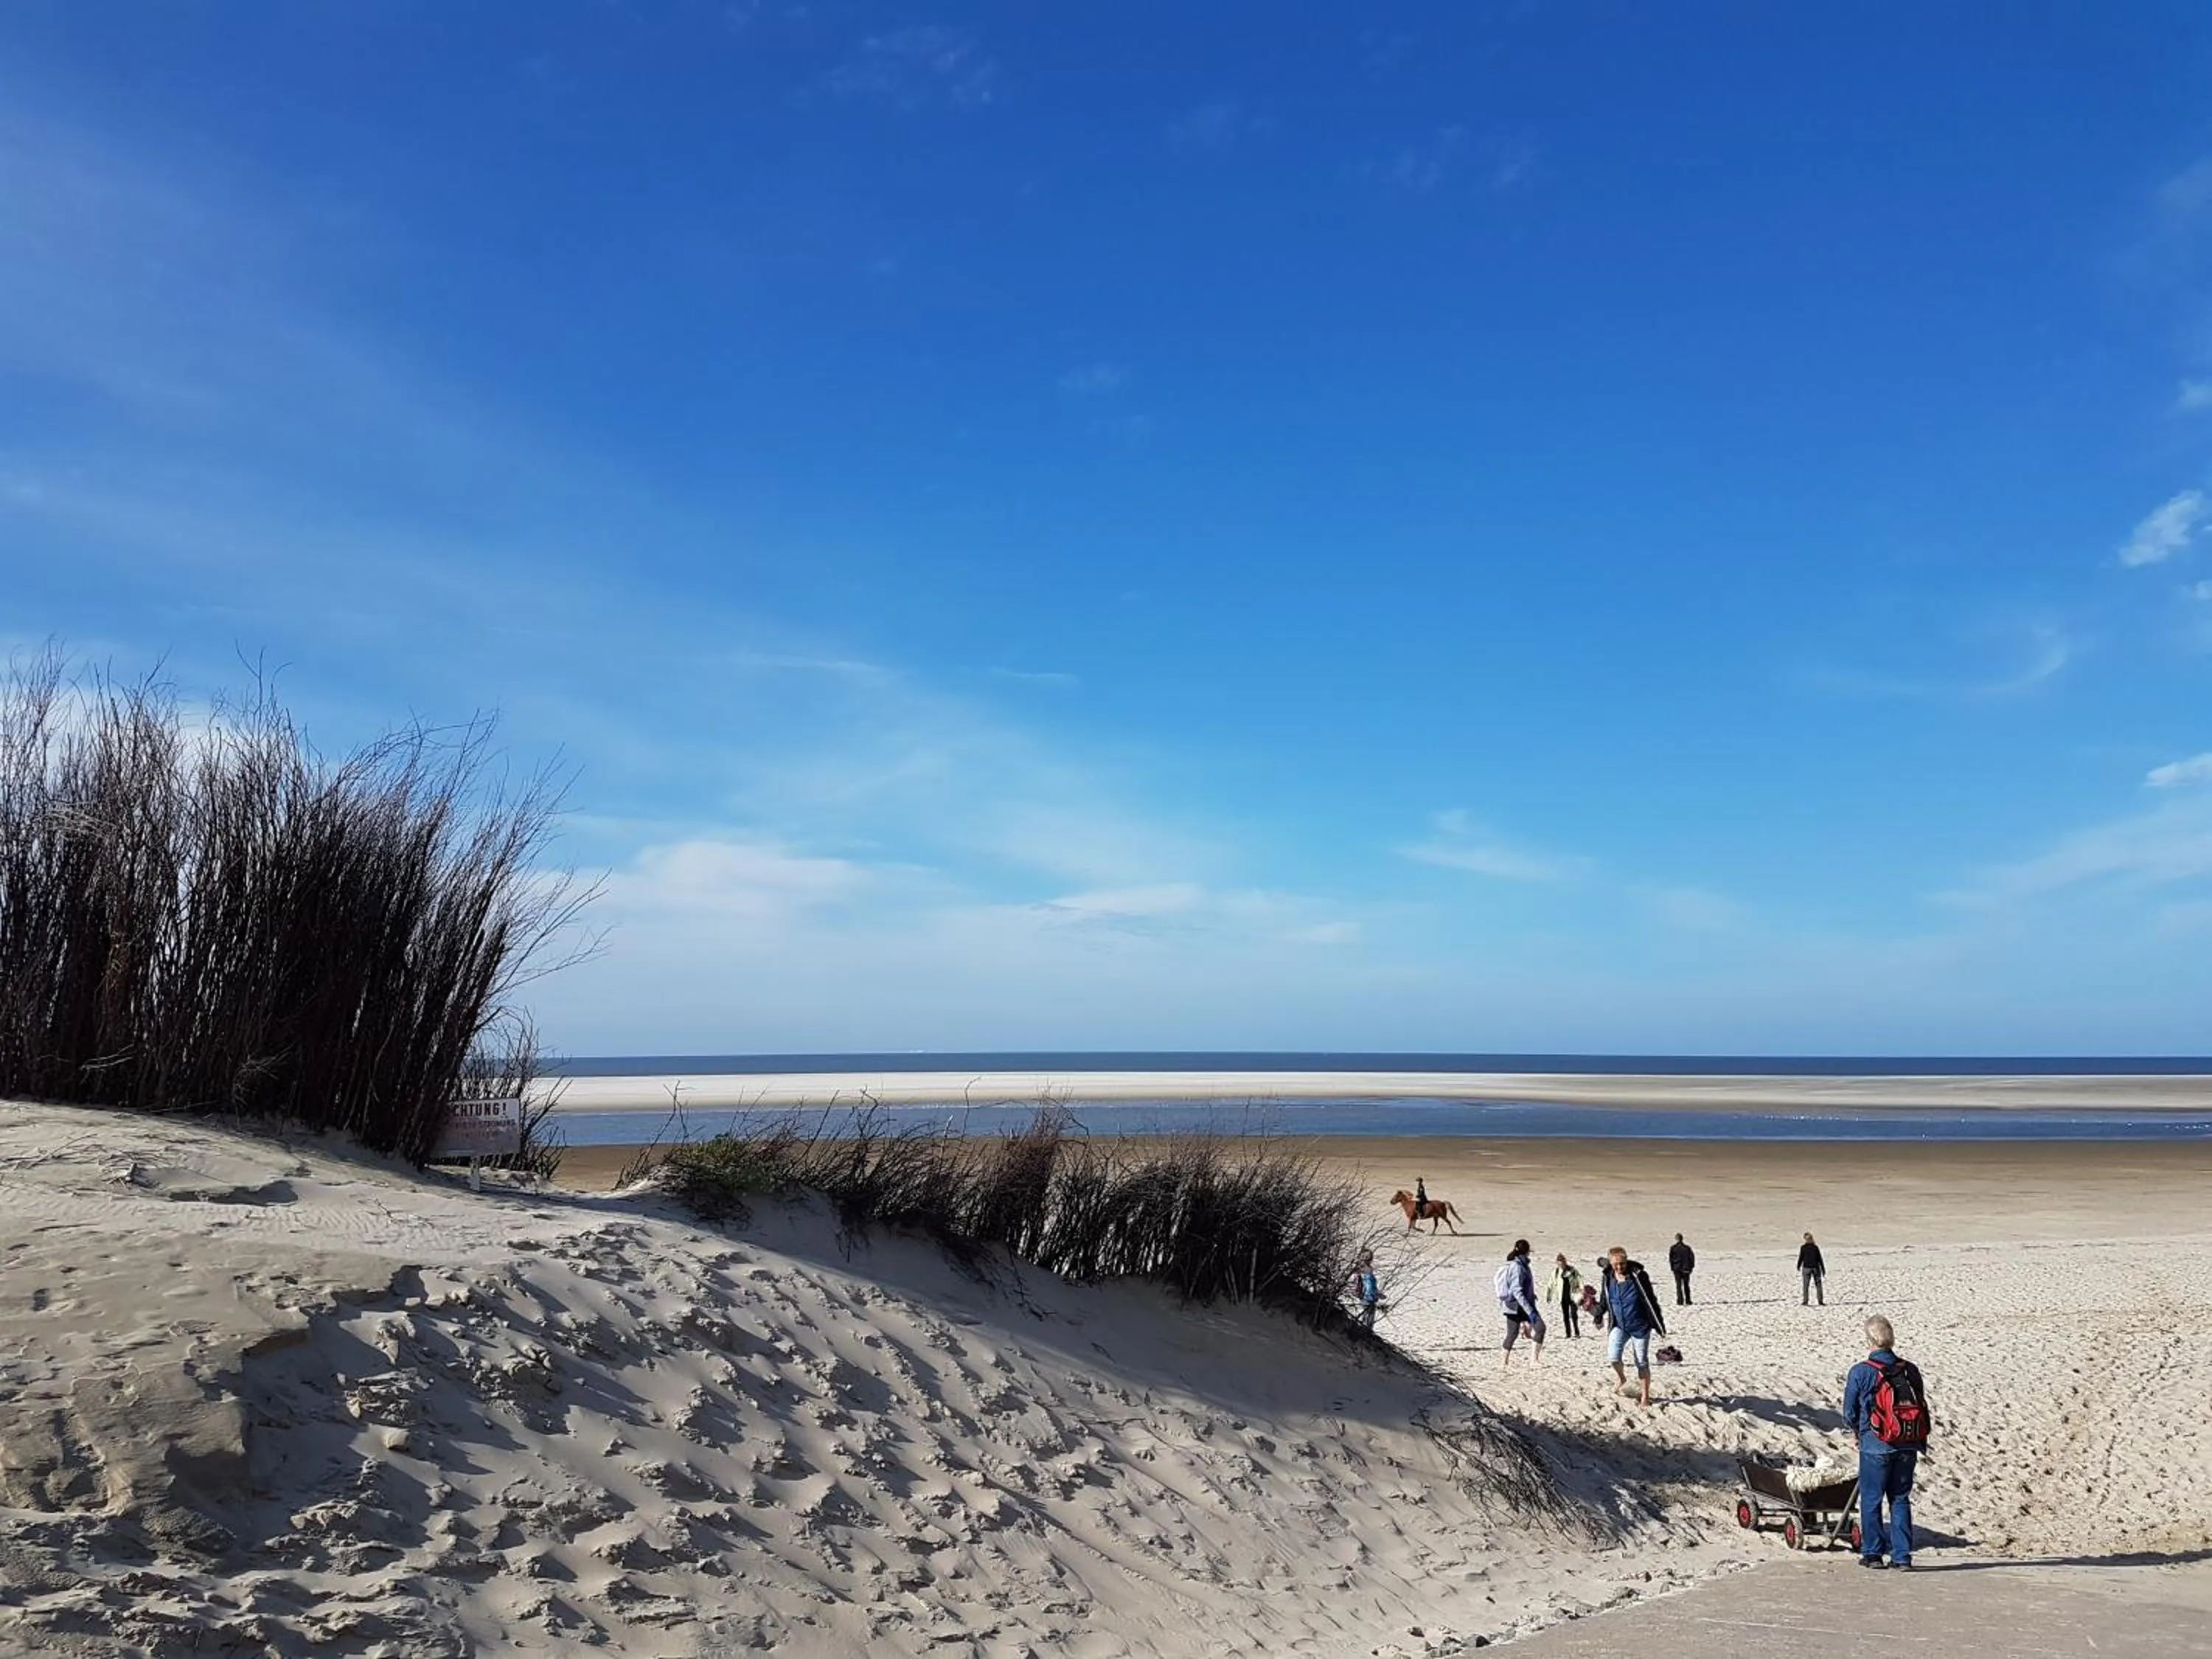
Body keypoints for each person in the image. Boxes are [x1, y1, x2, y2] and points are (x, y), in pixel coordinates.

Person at [1843, 1315, 1931, 1569]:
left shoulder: (1861, 1371)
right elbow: (1920, 1403)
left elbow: (1849, 1412)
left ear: (1869, 1340)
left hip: (1875, 1443)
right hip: (1908, 1441)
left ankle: (1872, 1553)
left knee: (1872, 1498)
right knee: (1900, 1498)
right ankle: (1902, 1556)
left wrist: (1856, 1433)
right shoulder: (1909, 1369)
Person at [1602, 1245, 1666, 1406]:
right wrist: (1596, 1313)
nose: (1619, 1267)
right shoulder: (1608, 1277)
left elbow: (1651, 1301)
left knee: (1641, 1362)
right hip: (1619, 1325)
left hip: (1640, 1327)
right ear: (1610, 1263)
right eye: (1615, 1264)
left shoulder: (1639, 1277)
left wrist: (1659, 1325)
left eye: (1622, 1264)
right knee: (1613, 1357)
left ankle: (1645, 1396)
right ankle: (1621, 1377)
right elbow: (1605, 1301)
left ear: (1627, 1261)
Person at [1497, 1239, 1546, 1367]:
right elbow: (1517, 1290)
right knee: (1537, 1328)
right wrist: (1530, 1311)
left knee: (1513, 1334)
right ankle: (1509, 1362)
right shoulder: (1517, 1267)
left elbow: (1523, 1287)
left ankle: (1506, 1362)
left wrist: (1532, 1295)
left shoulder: (1523, 1265)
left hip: (1519, 1305)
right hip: (1517, 1306)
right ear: (1527, 1252)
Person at [1548, 1252, 1583, 1338]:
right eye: (1559, 1263)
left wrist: (1582, 1290)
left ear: (1565, 1262)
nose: (1562, 1265)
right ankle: (1568, 1333)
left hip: (1573, 1296)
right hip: (1562, 1297)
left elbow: (1580, 1279)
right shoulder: (1555, 1272)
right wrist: (1549, 1295)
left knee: (1574, 1315)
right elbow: (1551, 1284)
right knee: (1566, 1316)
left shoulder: (1573, 1270)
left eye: (1563, 1263)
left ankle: (1577, 1332)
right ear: (1557, 1263)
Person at [1349, 1249, 1382, 1332]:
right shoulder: (1365, 1269)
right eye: (1366, 1256)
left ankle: (1365, 1333)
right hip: (1367, 1296)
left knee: (1367, 1318)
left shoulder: (1360, 1268)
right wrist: (1376, 1294)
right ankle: (1365, 1334)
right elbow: (1369, 1286)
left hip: (1367, 1296)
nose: (1368, 1258)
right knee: (1367, 1319)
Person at [1798, 1232, 1826, 1306]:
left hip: (1807, 1267)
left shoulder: (1803, 1248)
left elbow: (1801, 1258)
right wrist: (1823, 1269)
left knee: (1806, 1285)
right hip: (1816, 1267)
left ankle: (1805, 1301)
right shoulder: (1815, 1247)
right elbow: (1820, 1259)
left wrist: (1798, 1266)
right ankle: (1820, 1301)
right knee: (1818, 1285)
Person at [1668, 1232, 1695, 1305]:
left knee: (1679, 1286)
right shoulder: (1687, 1248)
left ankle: (1680, 1301)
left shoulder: (1673, 1248)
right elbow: (1692, 1258)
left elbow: (1671, 1259)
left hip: (1677, 1269)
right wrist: (1691, 1267)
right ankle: (1688, 1300)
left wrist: (1673, 1267)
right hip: (1686, 1269)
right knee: (1686, 1285)